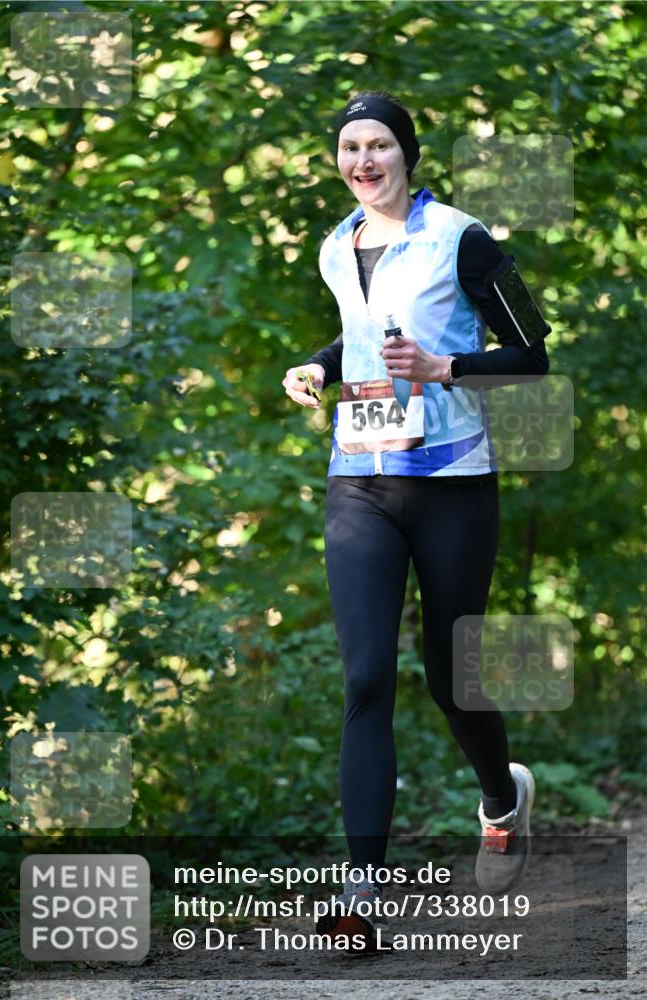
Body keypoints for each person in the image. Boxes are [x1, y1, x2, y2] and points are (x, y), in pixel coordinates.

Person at [283, 91, 547, 949]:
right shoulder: (334, 244)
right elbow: (359, 339)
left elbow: (531, 356)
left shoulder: (460, 238)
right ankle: (362, 895)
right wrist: (316, 368)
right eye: (350, 147)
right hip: (358, 476)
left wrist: (445, 366)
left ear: (408, 155)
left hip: (451, 483)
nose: (364, 161)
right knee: (365, 678)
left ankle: (500, 799)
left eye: (379, 146)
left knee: (448, 673)